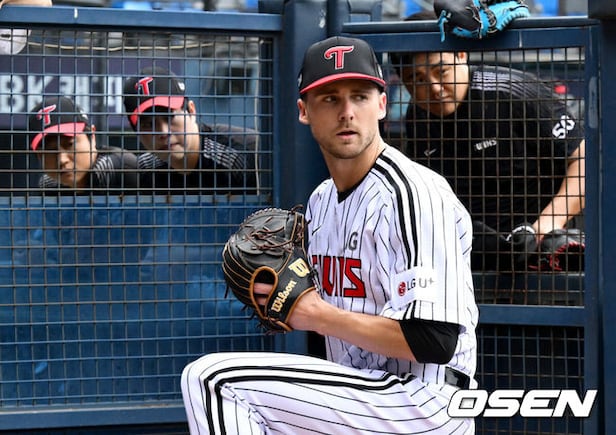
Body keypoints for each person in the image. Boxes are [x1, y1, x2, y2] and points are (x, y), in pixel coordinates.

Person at [181, 36, 478, 434]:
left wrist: (314, 314)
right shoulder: (321, 202)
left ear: (382, 105)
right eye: (330, 99)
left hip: (422, 402)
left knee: (214, 382)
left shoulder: (414, 193)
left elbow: (434, 340)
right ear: (304, 111)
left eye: (359, 97)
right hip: (361, 394)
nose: (347, 112)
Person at [390, 10, 585, 271]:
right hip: (468, 262)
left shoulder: (513, 93)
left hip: (541, 257)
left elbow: (584, 159)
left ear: (461, 55)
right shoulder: (417, 116)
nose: (435, 88)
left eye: (442, 71)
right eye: (418, 80)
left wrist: (548, 223)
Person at [123, 66, 258, 195]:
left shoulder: (234, 158)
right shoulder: (146, 169)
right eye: (148, 124)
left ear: (191, 111)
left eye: (169, 117)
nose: (163, 132)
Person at [28, 96, 139, 194]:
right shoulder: (50, 186)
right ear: (39, 155)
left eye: (70, 145)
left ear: (92, 136)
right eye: (51, 150)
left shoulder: (115, 168)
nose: (62, 160)